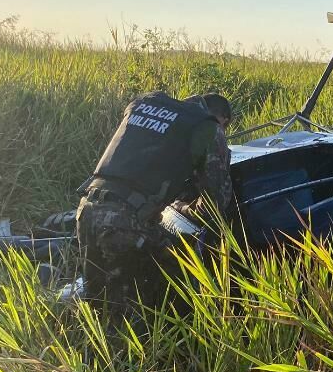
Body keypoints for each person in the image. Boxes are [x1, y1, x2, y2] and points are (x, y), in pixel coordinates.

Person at [76, 91, 232, 310]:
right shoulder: (207, 127)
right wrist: (181, 206)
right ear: (222, 119)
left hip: (87, 209)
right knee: (137, 312)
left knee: (97, 306)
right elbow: (216, 204)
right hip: (126, 222)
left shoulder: (144, 104)